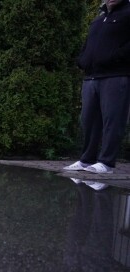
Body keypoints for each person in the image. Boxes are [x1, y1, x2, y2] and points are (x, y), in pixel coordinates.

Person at [64, 0, 130, 174]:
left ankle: (106, 163)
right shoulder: (98, 20)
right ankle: (86, 159)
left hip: (116, 76)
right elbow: (88, 45)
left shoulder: (128, 14)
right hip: (91, 77)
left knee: (112, 120)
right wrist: (83, 60)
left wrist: (113, 57)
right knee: (88, 121)